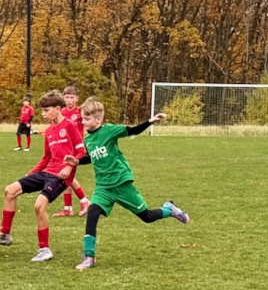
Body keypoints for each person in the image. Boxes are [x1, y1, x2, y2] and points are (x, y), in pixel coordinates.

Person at [71, 99, 190, 270]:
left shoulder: (109, 131)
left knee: (147, 217)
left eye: (86, 119)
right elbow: (91, 157)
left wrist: (149, 122)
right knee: (92, 213)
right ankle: (89, 257)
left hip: (121, 184)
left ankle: (169, 210)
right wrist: (76, 161)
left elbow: (131, 130)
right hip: (103, 187)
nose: (83, 122)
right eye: (82, 119)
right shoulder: (88, 140)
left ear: (98, 119)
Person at [0, 90, 84, 262]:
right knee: (10, 190)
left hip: (62, 176)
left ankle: (44, 250)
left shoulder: (69, 126)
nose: (42, 114)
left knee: (39, 205)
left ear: (57, 108)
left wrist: (70, 166)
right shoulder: (49, 131)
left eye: (46, 110)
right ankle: (4, 235)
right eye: (41, 111)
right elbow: (46, 158)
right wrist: (30, 174)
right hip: (46, 172)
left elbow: (81, 151)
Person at [54, 85, 92, 217]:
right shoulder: (61, 113)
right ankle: (68, 208)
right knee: (66, 177)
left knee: (66, 176)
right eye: (67, 97)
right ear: (63, 98)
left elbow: (89, 123)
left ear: (77, 99)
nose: (69, 100)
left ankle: (83, 201)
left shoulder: (80, 113)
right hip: (63, 149)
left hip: (76, 150)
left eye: (72, 97)